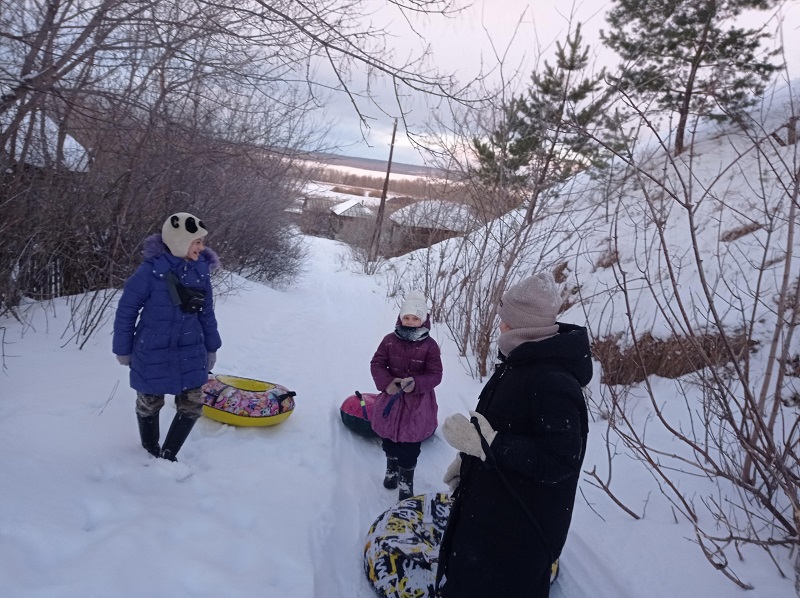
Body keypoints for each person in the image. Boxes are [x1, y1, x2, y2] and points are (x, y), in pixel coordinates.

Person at [435, 271, 592, 598]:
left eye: (506, 319)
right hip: (489, 516)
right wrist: (468, 463)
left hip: (516, 536)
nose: (500, 326)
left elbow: (560, 460)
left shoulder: (552, 381)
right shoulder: (517, 362)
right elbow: (494, 426)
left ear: (524, 324)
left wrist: (489, 445)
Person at [112, 212, 222, 462]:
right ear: (181, 242)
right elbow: (127, 310)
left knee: (193, 404)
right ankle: (150, 450)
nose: (202, 247)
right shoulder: (148, 273)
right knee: (149, 402)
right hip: (152, 350)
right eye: (197, 242)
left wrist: (211, 346)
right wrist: (123, 349)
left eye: (202, 242)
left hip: (191, 349)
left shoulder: (201, 273)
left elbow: (206, 313)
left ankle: (168, 454)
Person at [369, 291, 443, 501]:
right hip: (391, 399)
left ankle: (406, 481)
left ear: (423, 319)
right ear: (401, 318)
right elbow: (377, 363)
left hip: (417, 404)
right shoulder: (389, 340)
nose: (410, 322)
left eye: (415, 318)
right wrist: (387, 383)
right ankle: (391, 470)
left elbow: (435, 374)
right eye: (407, 317)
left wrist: (416, 384)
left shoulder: (430, 346)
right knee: (389, 439)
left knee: (410, 445)